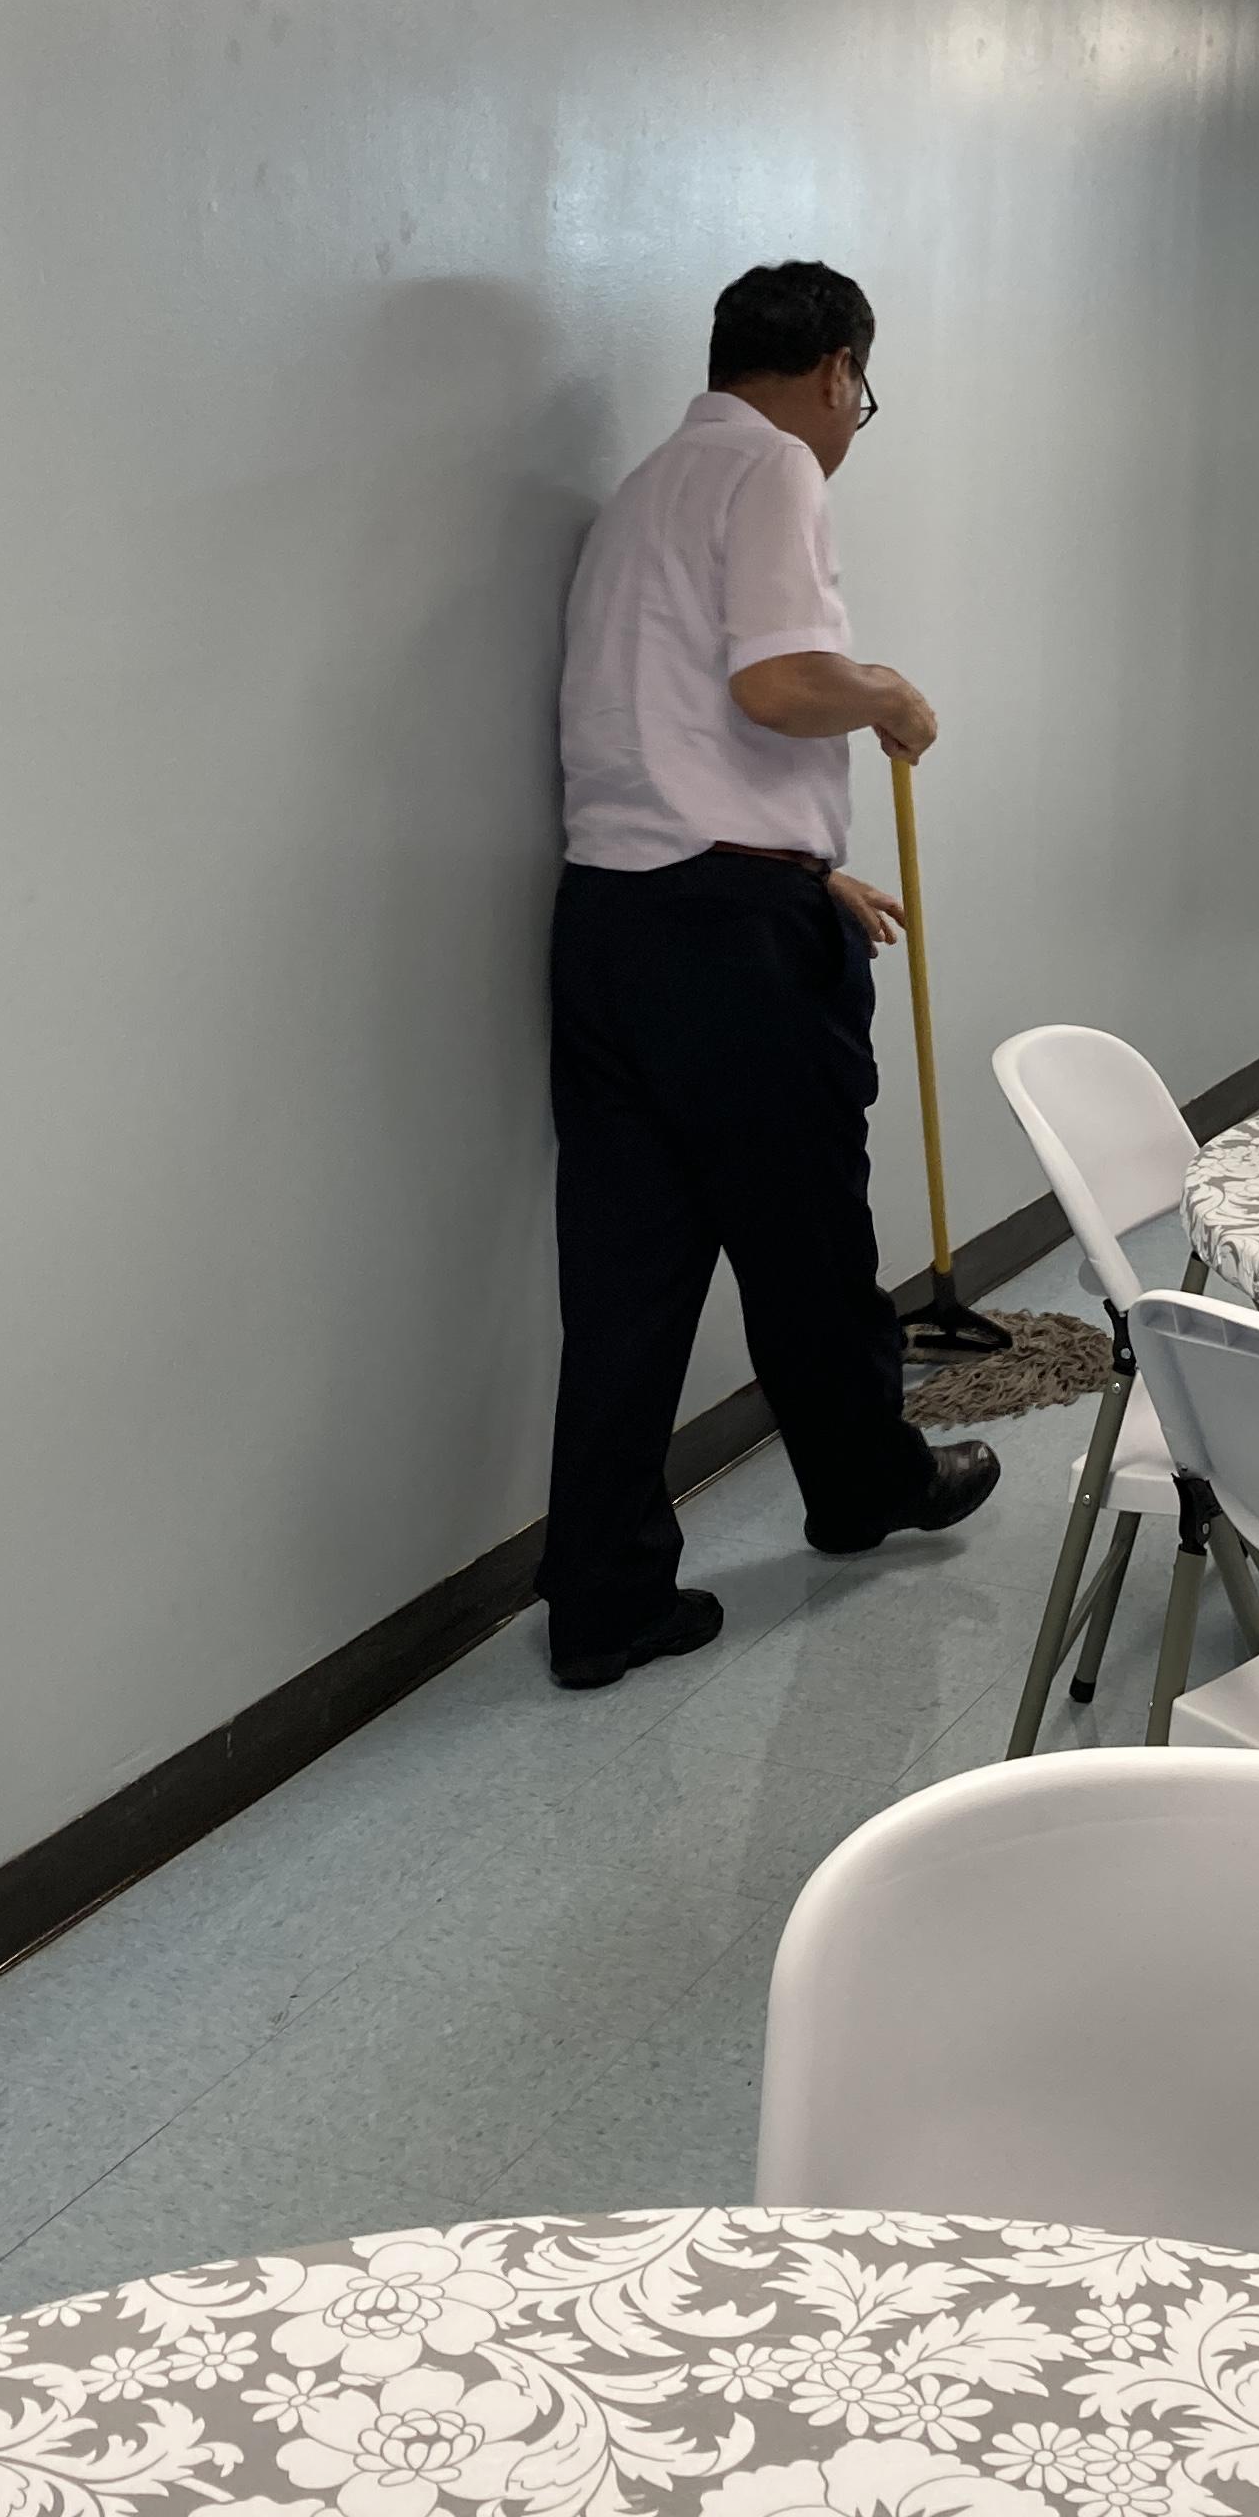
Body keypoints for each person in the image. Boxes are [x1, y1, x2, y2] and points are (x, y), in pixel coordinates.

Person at [541, 261, 998, 1691]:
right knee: (808, 1242)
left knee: (626, 1282)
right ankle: (865, 1486)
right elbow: (778, 684)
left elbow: (670, 737)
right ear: (836, 370)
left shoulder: (643, 492)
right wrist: (889, 694)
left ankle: (603, 1597)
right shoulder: (775, 468)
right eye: (862, 391)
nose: (855, 418)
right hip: (726, 945)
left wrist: (806, 876)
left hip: (612, 923)